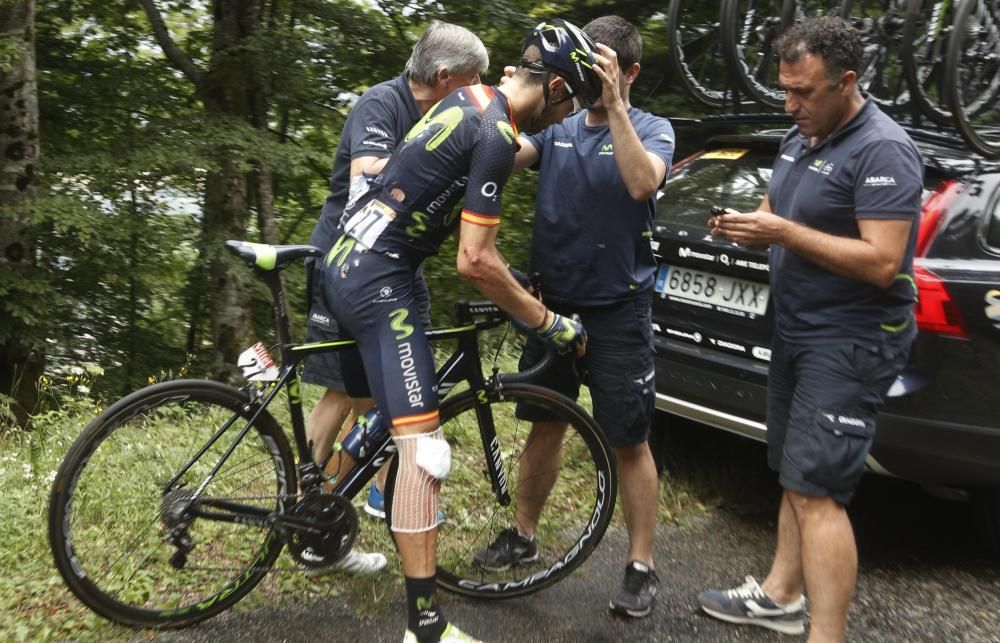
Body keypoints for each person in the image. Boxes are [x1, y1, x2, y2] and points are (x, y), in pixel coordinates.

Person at [313, 18, 599, 643]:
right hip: (377, 279)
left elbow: (428, 189)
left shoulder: (469, 100)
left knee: (394, 408)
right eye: (571, 101)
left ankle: (323, 497)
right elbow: (474, 260)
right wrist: (548, 324)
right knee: (425, 449)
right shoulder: (495, 130)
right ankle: (426, 627)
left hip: (350, 258)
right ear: (553, 88)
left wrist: (515, 280)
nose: (568, 115)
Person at [696, 16, 922, 642]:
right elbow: (779, 211)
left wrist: (784, 234)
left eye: (804, 92)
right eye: (784, 89)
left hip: (850, 340)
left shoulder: (884, 149)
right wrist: (749, 224)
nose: (790, 104)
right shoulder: (802, 136)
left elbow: (881, 261)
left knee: (818, 491)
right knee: (797, 475)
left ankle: (827, 634)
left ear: (846, 82)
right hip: (795, 328)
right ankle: (779, 595)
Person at [474, 15, 675, 619]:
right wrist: (497, 104)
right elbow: (503, 159)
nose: (587, 74)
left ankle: (640, 565)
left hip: (618, 306)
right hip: (550, 303)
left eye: (603, 64)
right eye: (583, 61)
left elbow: (643, 184)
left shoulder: (652, 127)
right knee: (545, 422)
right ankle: (524, 534)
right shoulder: (558, 126)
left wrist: (614, 104)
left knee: (629, 440)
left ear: (630, 70)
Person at [302, 21, 488, 574]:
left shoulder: (442, 112)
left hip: (397, 269)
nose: (480, 95)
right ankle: (308, 513)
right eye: (474, 82)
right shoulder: (381, 104)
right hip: (348, 261)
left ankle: (383, 495)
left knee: (390, 392)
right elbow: (365, 181)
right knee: (341, 390)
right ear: (444, 76)